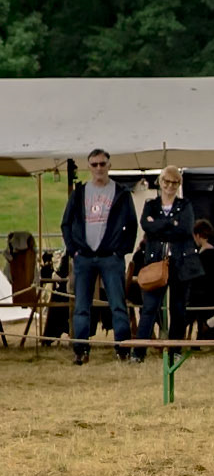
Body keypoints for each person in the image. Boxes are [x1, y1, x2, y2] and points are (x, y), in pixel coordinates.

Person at [61, 147, 137, 364]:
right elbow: (66, 223)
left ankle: (122, 348)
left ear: (109, 166)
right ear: (89, 167)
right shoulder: (79, 193)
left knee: (117, 304)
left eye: (102, 164)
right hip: (84, 256)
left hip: (110, 256)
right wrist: (73, 250)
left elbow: (132, 225)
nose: (99, 168)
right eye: (94, 164)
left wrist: (121, 250)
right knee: (82, 306)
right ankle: (81, 350)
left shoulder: (121, 193)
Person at [131, 165, 204, 359]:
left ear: (179, 184)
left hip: (181, 262)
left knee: (178, 309)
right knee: (149, 308)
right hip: (156, 262)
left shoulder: (185, 205)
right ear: (160, 182)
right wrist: (171, 223)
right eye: (166, 182)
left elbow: (186, 228)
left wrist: (159, 225)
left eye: (174, 182)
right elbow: (146, 225)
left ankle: (175, 351)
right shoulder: (151, 204)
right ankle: (138, 352)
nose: (170, 186)